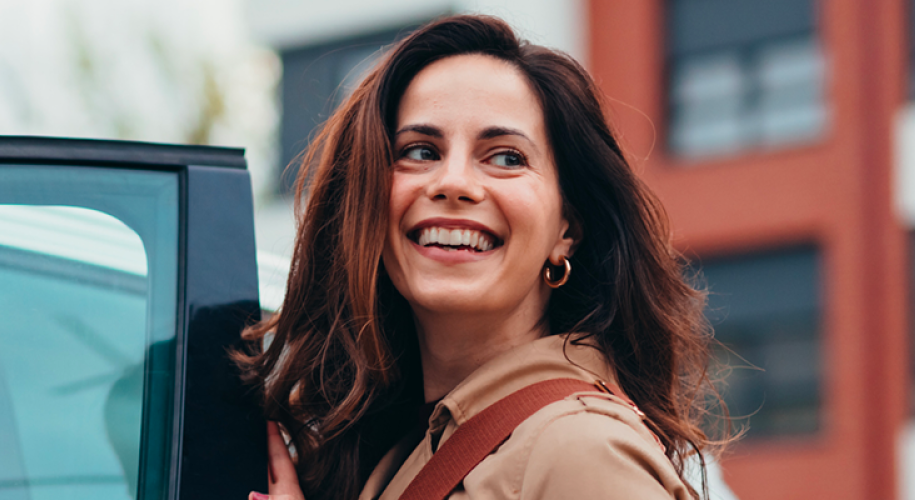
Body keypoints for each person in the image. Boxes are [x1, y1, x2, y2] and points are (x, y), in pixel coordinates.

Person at [236, 14, 722, 500]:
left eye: (507, 157)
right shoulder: (398, 450)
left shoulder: (580, 450)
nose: (453, 183)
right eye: (420, 151)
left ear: (566, 232)